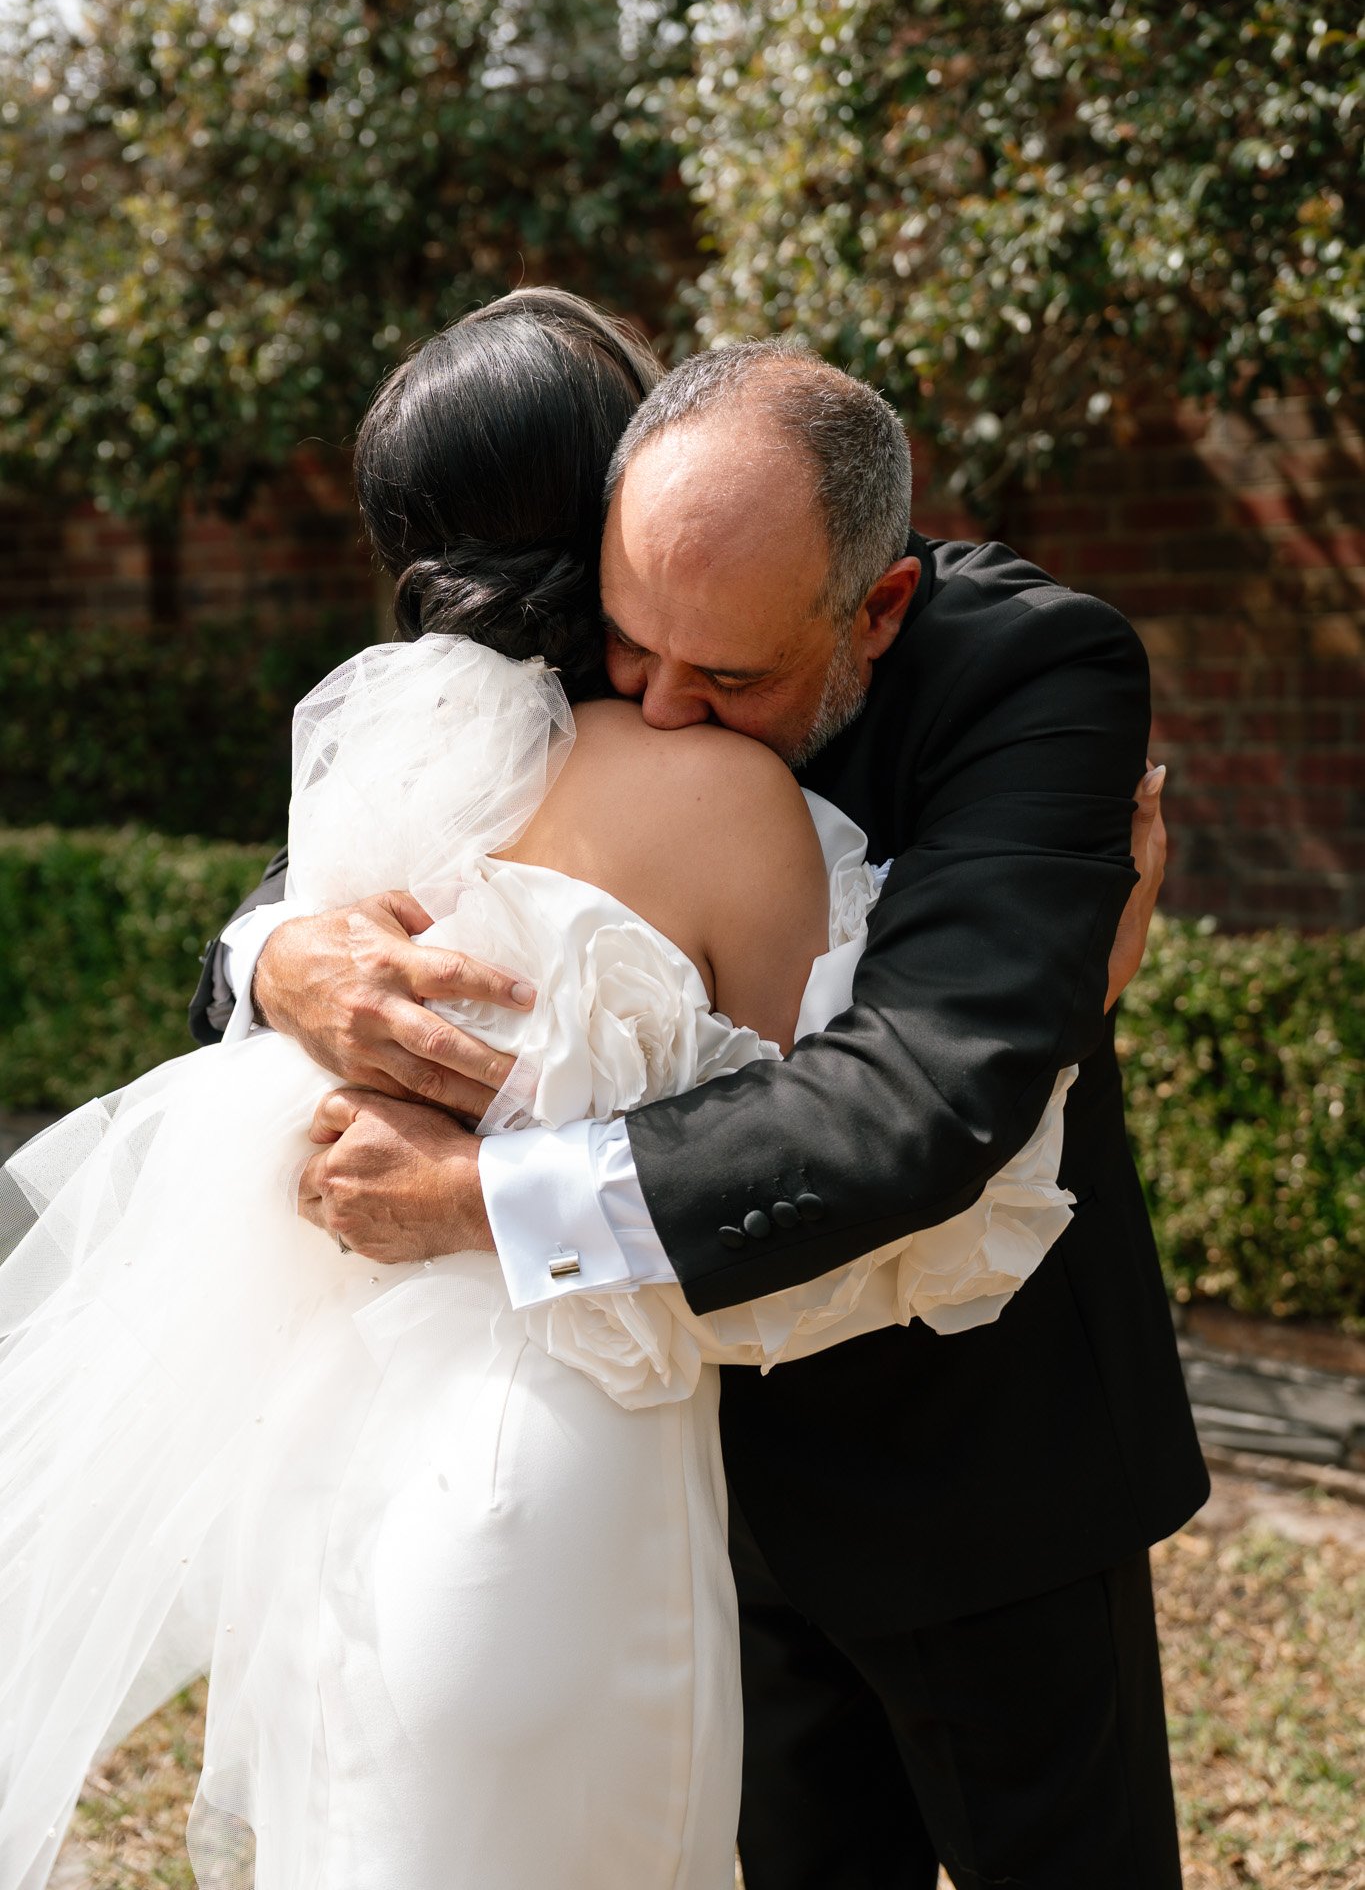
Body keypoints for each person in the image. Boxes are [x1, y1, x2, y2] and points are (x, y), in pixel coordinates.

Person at [0, 291, 1104, 1890]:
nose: (668, 691)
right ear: (621, 505)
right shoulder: (706, 797)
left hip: (358, 1482)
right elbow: (893, 1154)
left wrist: (416, 1127)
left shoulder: (400, 767)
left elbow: (912, 1090)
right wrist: (274, 961)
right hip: (565, 1486)